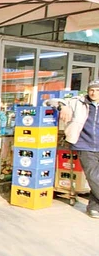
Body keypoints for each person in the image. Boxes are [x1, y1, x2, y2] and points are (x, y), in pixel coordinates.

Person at [45, 81, 99, 219]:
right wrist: (63, 106)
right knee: (93, 176)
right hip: (85, 145)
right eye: (91, 90)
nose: (94, 93)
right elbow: (50, 101)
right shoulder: (78, 102)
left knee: (96, 179)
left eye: (97, 90)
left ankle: (94, 207)